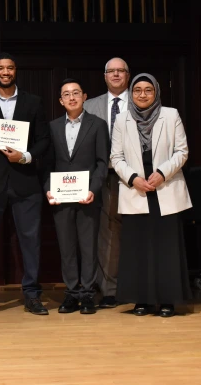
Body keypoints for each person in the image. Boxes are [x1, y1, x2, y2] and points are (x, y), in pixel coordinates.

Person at [0, 53, 50, 316]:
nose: (5, 72)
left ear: (16, 71)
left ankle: (32, 295)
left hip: (25, 182)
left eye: (10, 68)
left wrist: (25, 156)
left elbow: (43, 141)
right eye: (1, 68)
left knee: (30, 241)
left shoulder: (33, 102)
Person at [110, 73, 192, 317]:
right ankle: (141, 300)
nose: (142, 94)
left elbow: (181, 151)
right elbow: (116, 157)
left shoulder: (171, 115)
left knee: (166, 248)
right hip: (136, 189)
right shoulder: (121, 119)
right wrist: (134, 178)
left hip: (164, 188)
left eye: (148, 90)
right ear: (131, 94)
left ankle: (167, 300)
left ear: (156, 92)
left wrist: (161, 174)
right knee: (138, 249)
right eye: (137, 90)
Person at [45, 78, 110, 315]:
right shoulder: (51, 127)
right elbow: (47, 165)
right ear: (61, 101)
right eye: (66, 94)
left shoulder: (98, 125)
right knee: (67, 248)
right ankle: (71, 294)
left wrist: (93, 189)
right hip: (61, 199)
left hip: (88, 198)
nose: (71, 97)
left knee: (88, 247)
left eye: (76, 93)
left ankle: (88, 296)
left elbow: (103, 163)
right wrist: (48, 189)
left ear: (84, 97)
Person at [83, 57, 130, 308]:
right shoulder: (89, 106)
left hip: (136, 177)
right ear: (104, 76)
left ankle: (136, 284)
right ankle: (108, 288)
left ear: (127, 75)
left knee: (132, 231)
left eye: (120, 71)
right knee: (105, 233)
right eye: (110, 71)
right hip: (101, 176)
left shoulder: (141, 101)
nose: (115, 75)